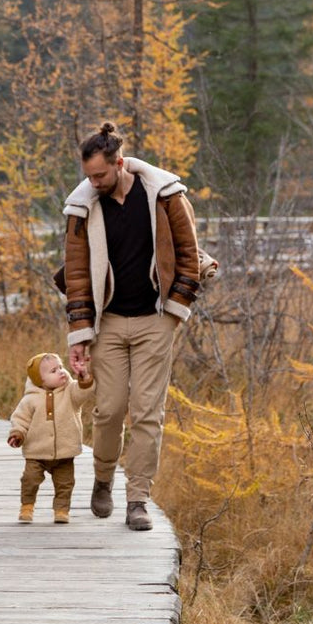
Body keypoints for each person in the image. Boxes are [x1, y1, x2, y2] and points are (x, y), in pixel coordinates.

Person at [61, 121, 202, 531]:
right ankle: (103, 479)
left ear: (119, 164)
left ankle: (137, 499)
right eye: (88, 176)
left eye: (99, 175)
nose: (93, 183)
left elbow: (189, 252)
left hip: (155, 321)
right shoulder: (83, 208)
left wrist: (175, 311)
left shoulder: (165, 196)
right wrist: (80, 334)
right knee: (108, 411)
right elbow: (76, 275)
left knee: (147, 414)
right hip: (107, 323)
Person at [8, 352, 96, 524]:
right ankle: (27, 506)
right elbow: (20, 419)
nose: (61, 371)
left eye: (61, 367)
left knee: (65, 483)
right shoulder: (30, 399)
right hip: (36, 451)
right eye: (53, 371)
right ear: (40, 380)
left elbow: (83, 392)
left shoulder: (70, 391)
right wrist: (17, 434)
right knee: (29, 480)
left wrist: (84, 376)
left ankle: (61, 510)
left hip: (64, 451)